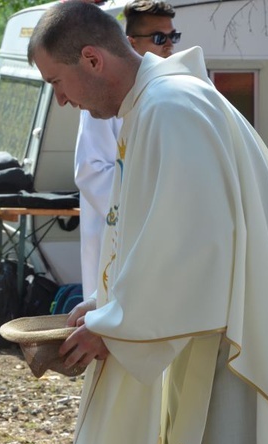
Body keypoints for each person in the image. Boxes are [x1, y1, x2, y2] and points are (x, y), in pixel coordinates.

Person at [28, 2, 268, 444]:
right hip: (206, 332)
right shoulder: (150, 107)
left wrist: (113, 327)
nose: (63, 102)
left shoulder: (171, 109)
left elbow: (196, 247)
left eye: (56, 83)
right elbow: (154, 234)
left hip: (240, 343)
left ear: (92, 59)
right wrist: (106, 304)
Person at [74, 0, 179, 298]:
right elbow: (90, 170)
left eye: (174, 36)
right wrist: (144, 206)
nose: (169, 46)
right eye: (159, 38)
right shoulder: (104, 98)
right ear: (131, 44)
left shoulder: (170, 92)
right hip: (119, 233)